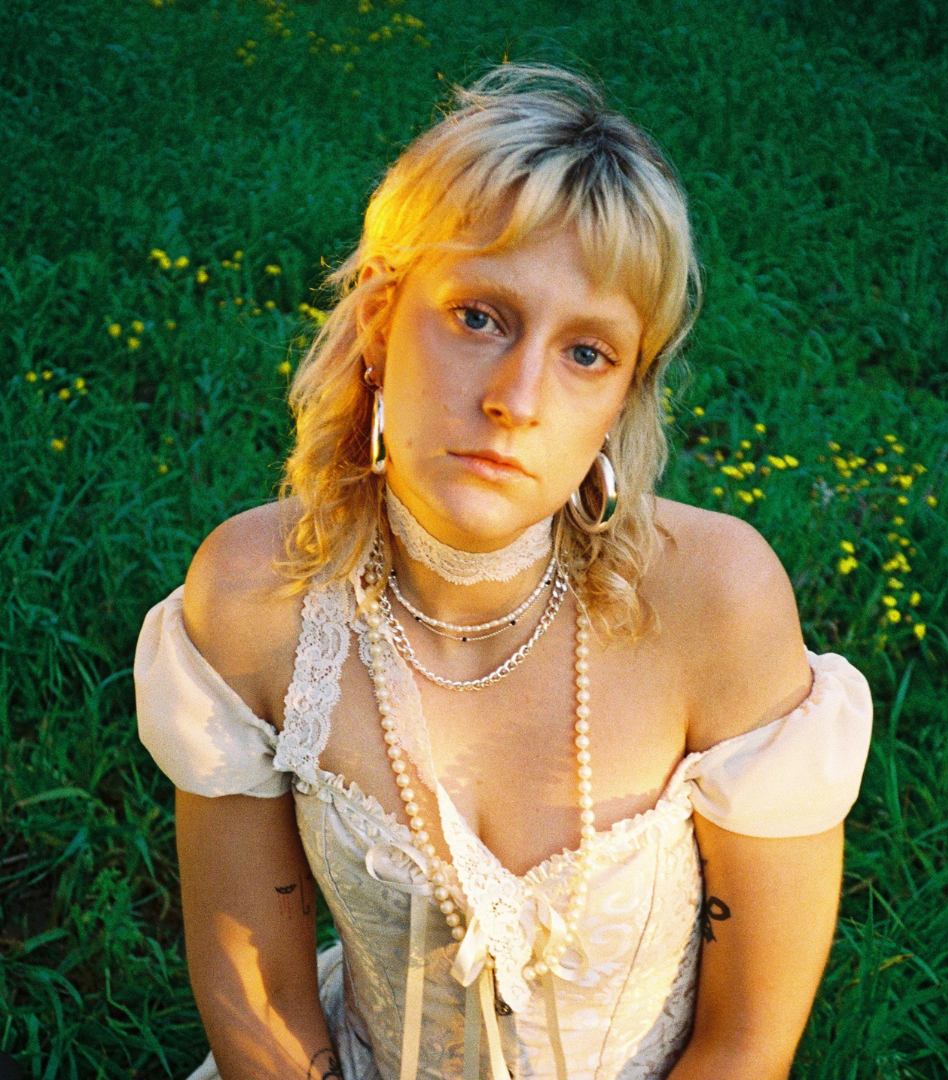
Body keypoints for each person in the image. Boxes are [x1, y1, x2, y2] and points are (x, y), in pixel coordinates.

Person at [134, 64, 873, 1080]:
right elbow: (257, 999)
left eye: (586, 353)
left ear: (622, 399)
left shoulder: (718, 602)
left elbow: (748, 1040)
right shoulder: (255, 595)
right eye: (481, 316)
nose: (517, 399)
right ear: (383, 323)